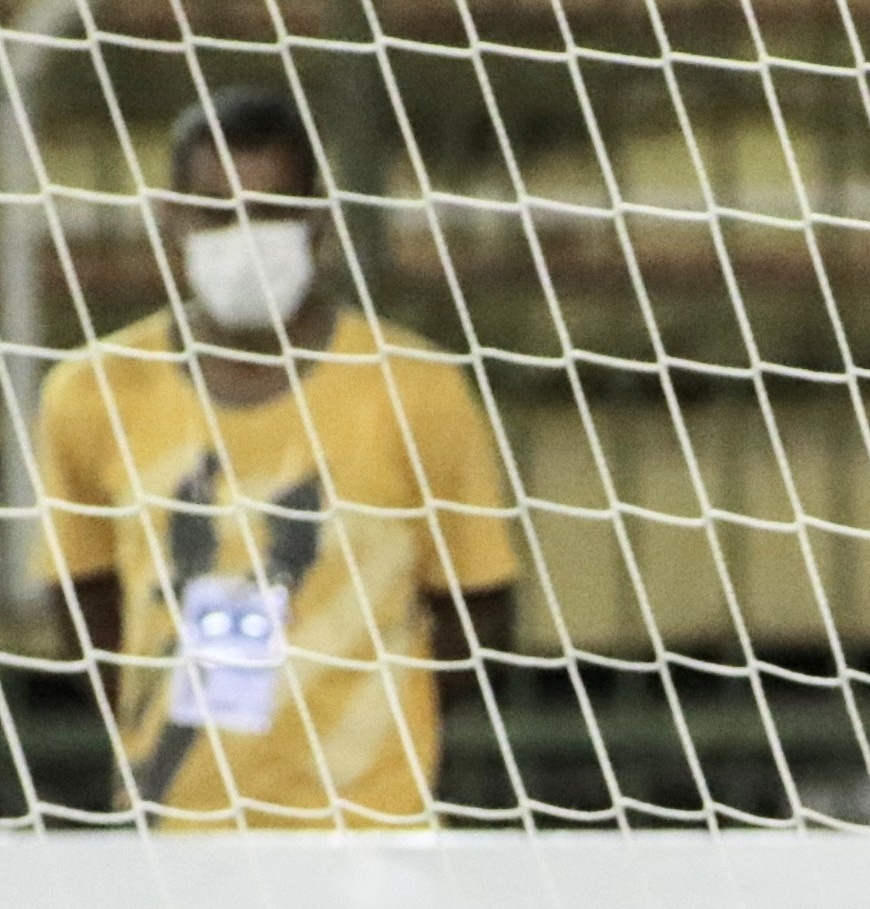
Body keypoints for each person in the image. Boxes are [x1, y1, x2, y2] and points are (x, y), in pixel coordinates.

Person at [35, 85, 516, 828]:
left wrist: (356, 708)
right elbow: (84, 602)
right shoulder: (90, 393)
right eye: (219, 213)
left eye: (270, 212)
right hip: (175, 834)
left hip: (371, 834)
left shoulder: (416, 388)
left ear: (316, 225)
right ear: (173, 222)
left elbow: (479, 611)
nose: (245, 236)